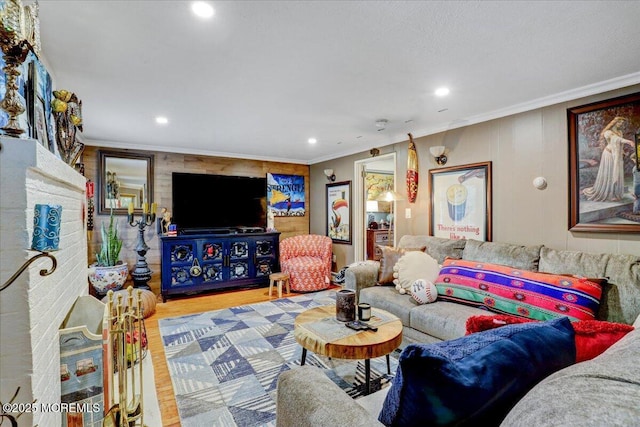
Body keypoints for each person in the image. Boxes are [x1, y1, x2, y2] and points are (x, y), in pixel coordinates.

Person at [583, 116, 635, 202]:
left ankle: (615, 193)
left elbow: (619, 144)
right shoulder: (608, 132)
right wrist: (629, 141)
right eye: (619, 122)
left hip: (616, 156)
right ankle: (608, 193)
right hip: (608, 155)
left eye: (622, 123)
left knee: (616, 174)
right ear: (614, 123)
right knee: (609, 174)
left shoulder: (619, 132)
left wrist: (623, 152)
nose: (620, 124)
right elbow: (616, 139)